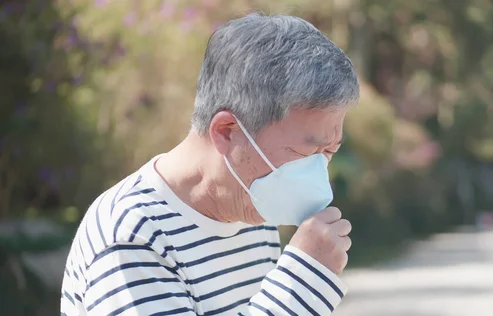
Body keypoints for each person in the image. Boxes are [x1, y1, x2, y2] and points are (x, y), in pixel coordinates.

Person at [60, 12, 359, 316]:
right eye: (305, 152)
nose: (318, 173)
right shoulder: (132, 235)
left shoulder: (254, 211)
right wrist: (302, 282)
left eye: (329, 151)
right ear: (227, 132)